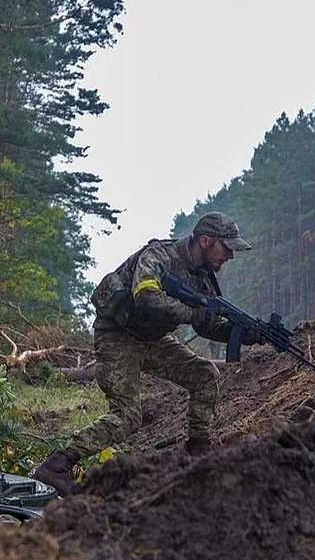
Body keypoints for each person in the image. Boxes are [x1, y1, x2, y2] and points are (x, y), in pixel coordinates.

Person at [32, 212, 265, 496]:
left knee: (205, 375)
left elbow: (208, 325)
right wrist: (193, 314)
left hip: (153, 340)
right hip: (117, 335)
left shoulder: (203, 280)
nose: (230, 255)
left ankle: (198, 451)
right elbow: (146, 297)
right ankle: (56, 465)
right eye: (226, 247)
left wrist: (251, 334)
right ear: (205, 241)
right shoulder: (159, 256)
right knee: (128, 416)